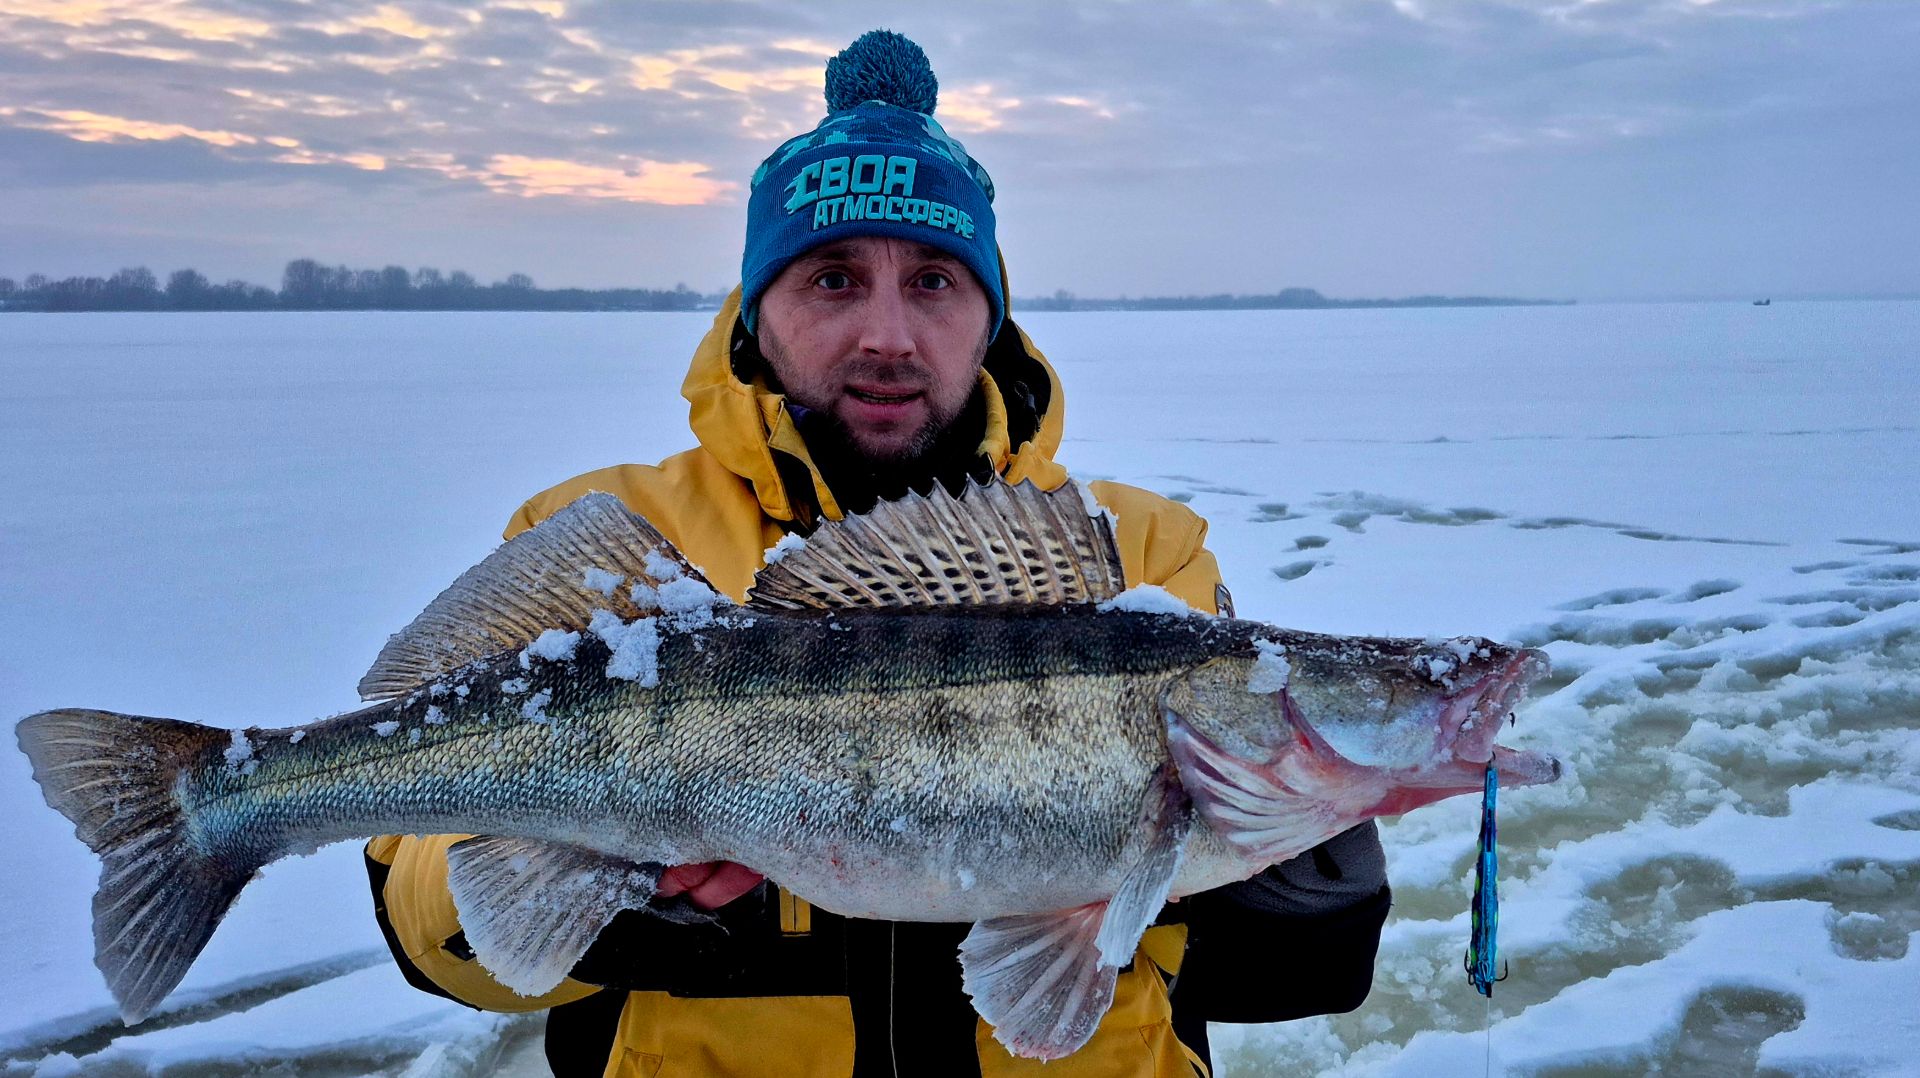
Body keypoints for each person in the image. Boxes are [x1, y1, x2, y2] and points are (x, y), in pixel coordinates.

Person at [365, 30, 1389, 1078]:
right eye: (833, 278)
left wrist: (1300, 867)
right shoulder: (614, 533)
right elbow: (433, 929)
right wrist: (595, 890)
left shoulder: (1139, 552)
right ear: (756, 314)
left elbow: (1261, 956)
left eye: (936, 280)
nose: (888, 335)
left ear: (990, 315)